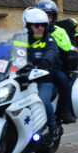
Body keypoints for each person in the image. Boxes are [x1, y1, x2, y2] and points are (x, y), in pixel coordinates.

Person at [35, 0, 76, 124]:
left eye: (49, 15)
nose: (46, 18)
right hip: (31, 66)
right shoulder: (31, 29)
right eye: (43, 14)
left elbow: (66, 47)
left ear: (54, 17)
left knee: (63, 80)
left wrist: (52, 39)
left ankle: (65, 111)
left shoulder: (59, 31)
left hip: (53, 67)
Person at [23, 8, 60, 136]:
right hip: (22, 80)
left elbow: (52, 52)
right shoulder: (21, 39)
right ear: (28, 26)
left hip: (43, 80)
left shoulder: (49, 40)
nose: (40, 28)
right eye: (36, 25)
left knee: (43, 101)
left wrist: (45, 62)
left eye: (43, 25)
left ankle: (52, 127)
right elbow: (8, 50)